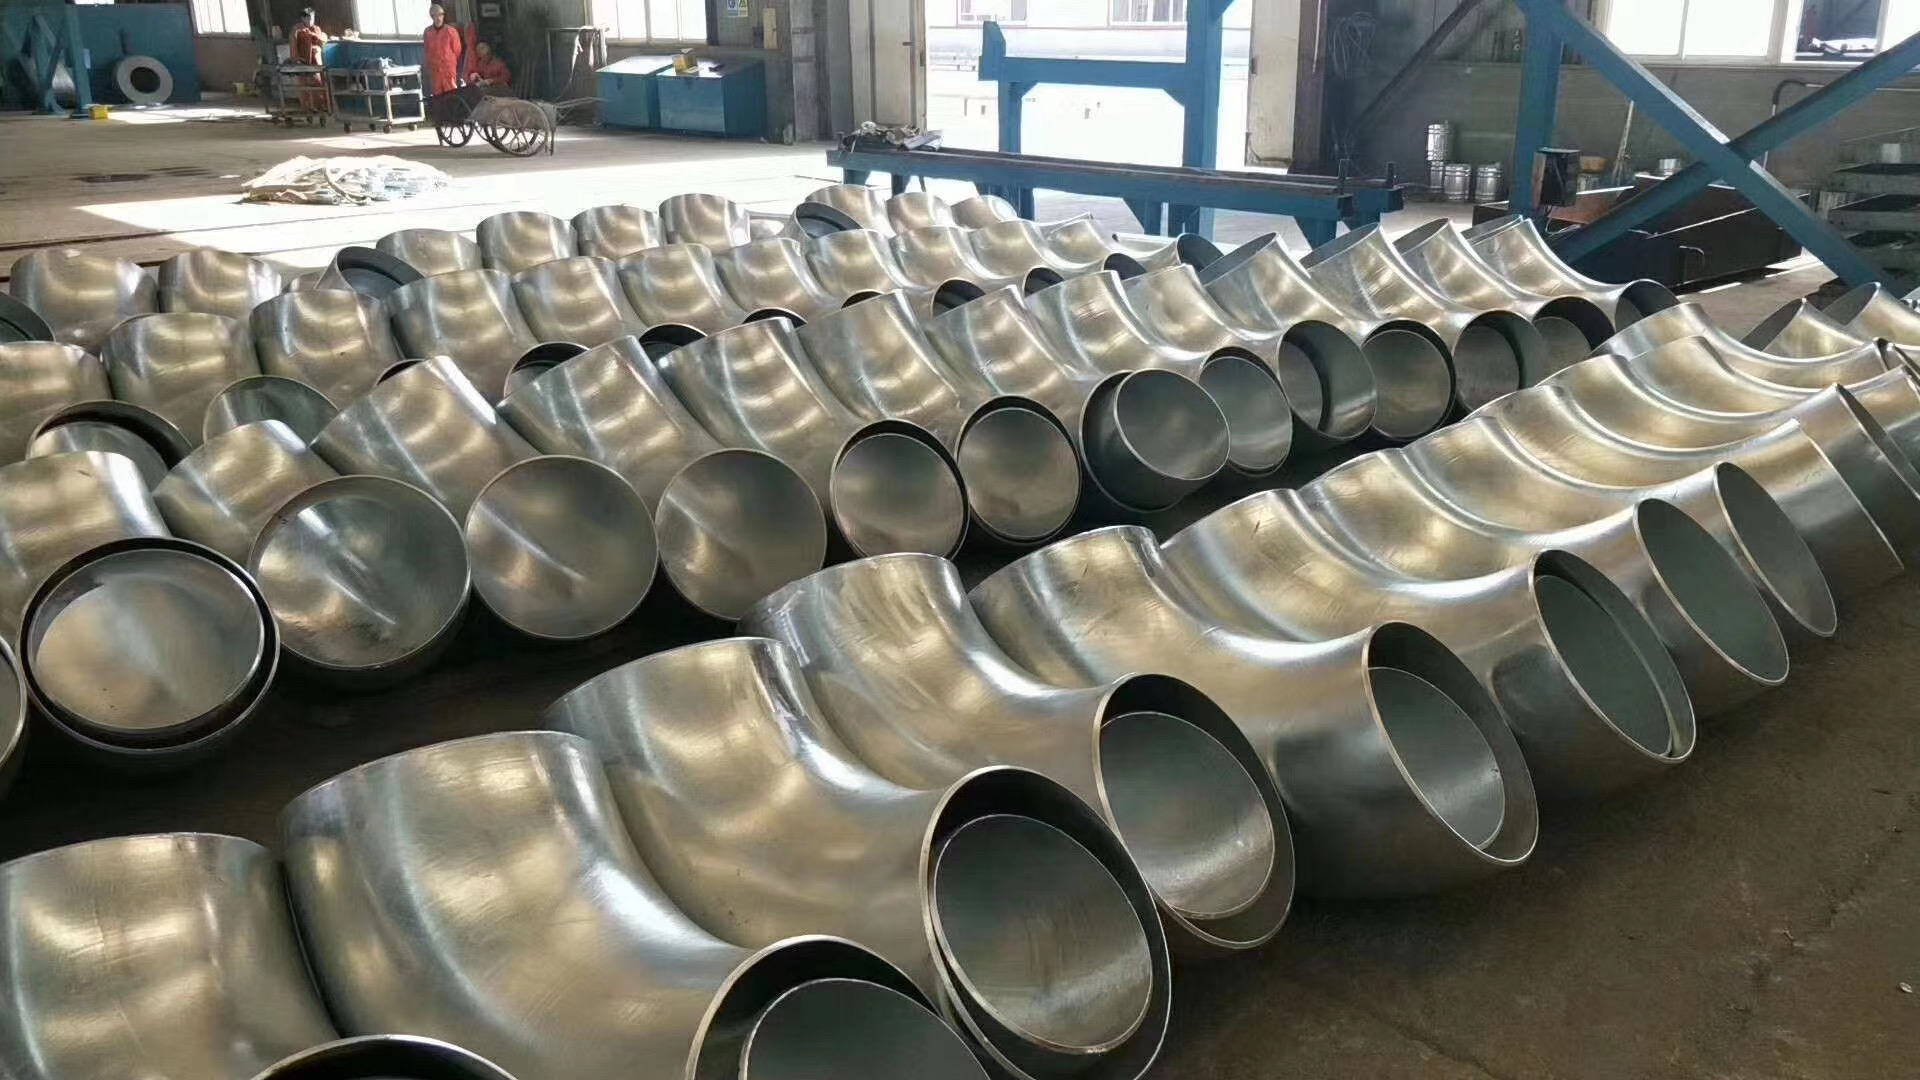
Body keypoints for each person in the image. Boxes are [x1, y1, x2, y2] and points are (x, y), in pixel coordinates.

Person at [423, 4, 463, 96]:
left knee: (451, 94)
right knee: (438, 96)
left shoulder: (451, 31)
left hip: (448, 70)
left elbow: (457, 50)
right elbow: (427, 50)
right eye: (435, 15)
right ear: (431, 16)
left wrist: (449, 62)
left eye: (440, 14)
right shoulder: (428, 32)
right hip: (435, 71)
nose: (438, 18)